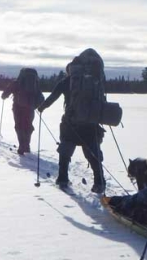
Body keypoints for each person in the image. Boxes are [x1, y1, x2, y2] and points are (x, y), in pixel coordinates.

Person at [37, 49, 107, 193]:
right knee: (93, 154)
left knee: (65, 152)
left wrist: (41, 107)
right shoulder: (95, 81)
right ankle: (99, 182)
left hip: (71, 124)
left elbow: (52, 97)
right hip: (91, 124)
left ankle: (62, 179)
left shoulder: (66, 81)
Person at [1, 68, 45, 155]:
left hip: (18, 108)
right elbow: (41, 98)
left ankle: (21, 145)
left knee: (19, 126)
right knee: (28, 126)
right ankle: (27, 145)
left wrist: (3, 96)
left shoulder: (16, 83)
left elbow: (5, 94)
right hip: (30, 109)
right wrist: (35, 106)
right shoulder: (35, 84)